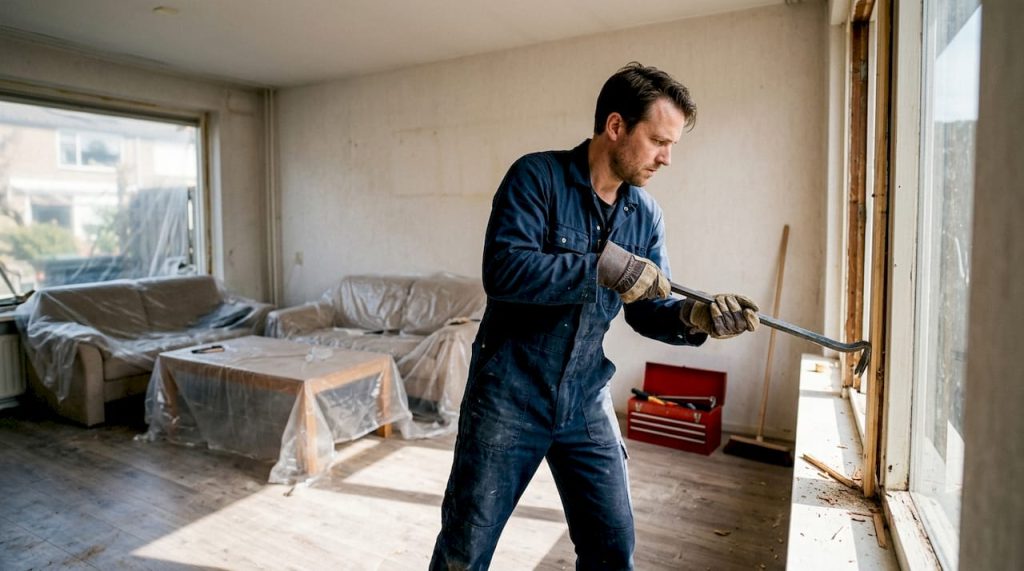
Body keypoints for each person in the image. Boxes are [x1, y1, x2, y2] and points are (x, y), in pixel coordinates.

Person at [430, 62, 760, 570]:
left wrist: (697, 318)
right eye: (657, 141)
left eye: (671, 145)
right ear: (615, 126)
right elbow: (504, 271)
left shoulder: (645, 214)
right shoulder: (535, 177)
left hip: (584, 397)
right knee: (464, 552)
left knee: (612, 549)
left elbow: (648, 312)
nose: (667, 158)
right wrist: (605, 267)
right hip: (507, 398)